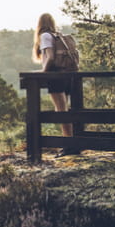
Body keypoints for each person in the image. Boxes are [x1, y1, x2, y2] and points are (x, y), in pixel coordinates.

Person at [32, 12, 76, 141]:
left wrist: (44, 71)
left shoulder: (45, 36)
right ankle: (70, 141)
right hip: (67, 75)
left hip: (56, 77)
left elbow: (50, 57)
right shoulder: (57, 35)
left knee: (61, 112)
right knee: (64, 110)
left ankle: (69, 143)